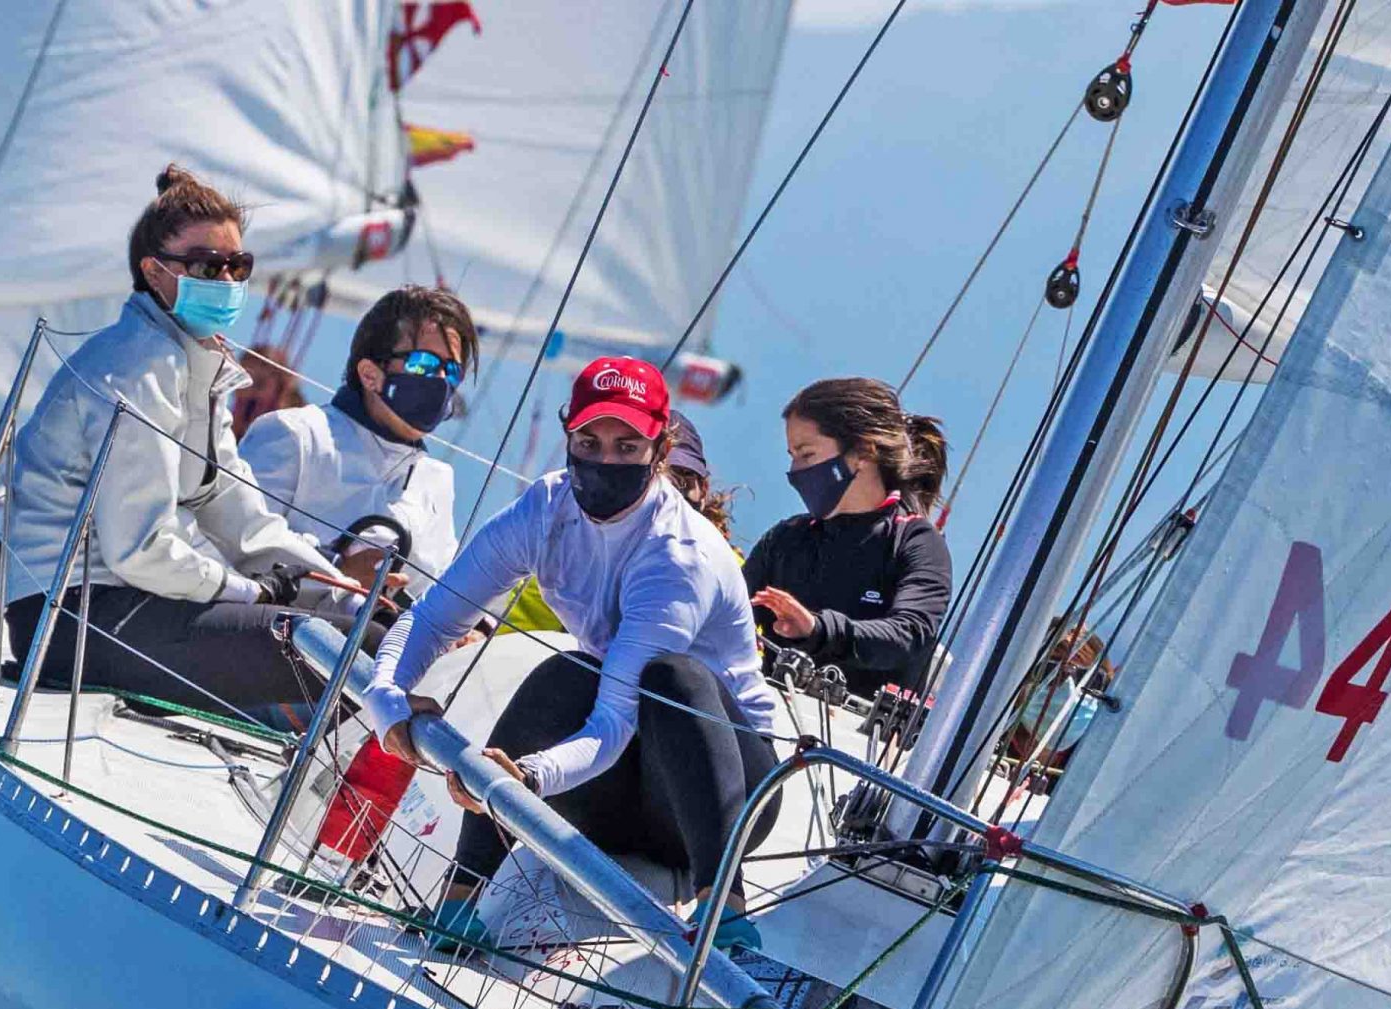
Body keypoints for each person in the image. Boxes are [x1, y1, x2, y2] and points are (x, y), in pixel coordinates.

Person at [366, 357, 791, 953]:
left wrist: (525, 779)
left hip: (723, 796)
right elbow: (435, 616)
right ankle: (459, 906)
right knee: (566, 672)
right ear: (569, 436)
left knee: (671, 677)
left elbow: (615, 721)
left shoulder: (678, 555)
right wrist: (388, 706)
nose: (605, 460)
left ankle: (725, 907)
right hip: (618, 794)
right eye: (589, 441)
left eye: (627, 445)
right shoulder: (546, 509)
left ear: (661, 447)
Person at [3, 165, 341, 729]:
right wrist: (252, 594)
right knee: (340, 655)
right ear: (154, 273)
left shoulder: (196, 367)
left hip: (126, 605)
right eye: (209, 266)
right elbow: (140, 548)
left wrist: (335, 588)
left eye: (239, 266)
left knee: (361, 636)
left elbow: (236, 513)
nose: (228, 280)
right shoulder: (140, 365)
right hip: (73, 616)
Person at [240, 285, 473, 614]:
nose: (440, 379)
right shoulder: (295, 434)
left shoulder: (437, 482)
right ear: (370, 374)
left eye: (451, 371)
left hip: (378, 655)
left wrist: (467, 629)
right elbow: (235, 540)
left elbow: (432, 592)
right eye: (423, 363)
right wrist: (336, 572)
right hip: (275, 641)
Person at [742, 377, 952, 694]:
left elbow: (909, 634)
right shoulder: (786, 541)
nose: (794, 470)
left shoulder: (915, 542)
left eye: (806, 454)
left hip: (865, 738)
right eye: (792, 455)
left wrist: (818, 629)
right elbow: (727, 614)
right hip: (769, 722)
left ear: (863, 452)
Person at [664, 413, 734, 545]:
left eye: (683, 475)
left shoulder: (728, 562)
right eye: (657, 475)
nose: (669, 489)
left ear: (703, 488)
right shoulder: (615, 556)